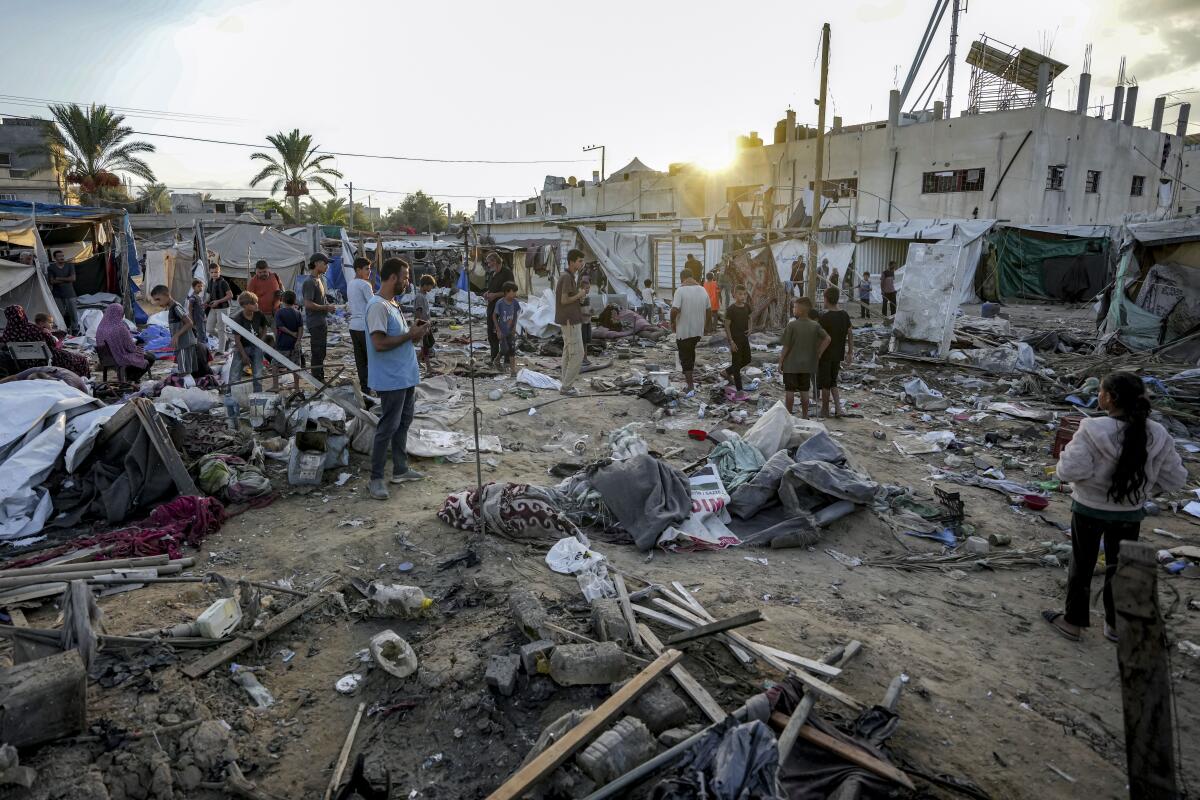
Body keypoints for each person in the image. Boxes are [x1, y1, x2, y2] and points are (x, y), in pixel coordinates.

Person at [1044, 372, 1187, 642]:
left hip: (1089, 509)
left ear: (1109, 398)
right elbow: (1174, 478)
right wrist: (1144, 489)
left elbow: (1070, 470)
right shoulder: (1157, 433)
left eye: (1100, 390)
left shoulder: (1092, 428)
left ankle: (1073, 622)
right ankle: (1115, 625)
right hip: (1129, 513)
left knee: (1082, 566)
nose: (1098, 395)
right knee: (1119, 568)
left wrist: (1082, 476)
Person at [365, 258, 429, 500]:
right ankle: (376, 478)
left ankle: (400, 469)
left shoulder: (393, 304)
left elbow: (400, 338)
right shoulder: (377, 306)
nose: (407, 281)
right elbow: (379, 343)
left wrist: (415, 332)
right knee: (387, 427)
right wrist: (409, 335)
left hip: (405, 376)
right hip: (391, 379)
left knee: (403, 423)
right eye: (405, 276)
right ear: (392, 277)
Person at [0, 304, 91, 376]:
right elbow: (52, 344)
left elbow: (4, 347)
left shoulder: (7, 333)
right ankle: (83, 383)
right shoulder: (34, 329)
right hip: (46, 360)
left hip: (22, 364)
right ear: (22, 314)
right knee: (81, 360)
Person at [779, 297, 829, 419]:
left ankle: (789, 416)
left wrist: (780, 361)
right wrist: (819, 353)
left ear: (800, 310)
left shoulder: (792, 325)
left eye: (795, 307)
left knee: (790, 391)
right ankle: (805, 415)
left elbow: (786, 346)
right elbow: (828, 338)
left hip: (791, 364)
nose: (793, 309)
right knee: (804, 391)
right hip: (807, 364)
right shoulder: (815, 325)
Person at [670, 269, 710, 397]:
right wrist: (706, 325)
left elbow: (674, 309)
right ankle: (689, 380)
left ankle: (690, 386)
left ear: (682, 278)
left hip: (684, 331)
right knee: (691, 353)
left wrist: (672, 322)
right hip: (697, 330)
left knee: (685, 357)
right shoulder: (703, 290)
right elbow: (709, 310)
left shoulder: (680, 290)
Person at [95, 302, 156, 381]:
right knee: (151, 357)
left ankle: (129, 375)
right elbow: (130, 348)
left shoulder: (100, 327)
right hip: (119, 358)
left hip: (106, 358)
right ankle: (132, 377)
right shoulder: (120, 327)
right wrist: (137, 347)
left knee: (140, 354)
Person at [150, 285, 202, 377]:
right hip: (182, 344)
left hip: (184, 343)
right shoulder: (171, 308)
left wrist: (176, 335)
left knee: (184, 371)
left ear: (166, 295)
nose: (157, 303)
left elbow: (189, 323)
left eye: (158, 299)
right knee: (184, 368)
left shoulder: (176, 307)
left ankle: (186, 388)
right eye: (155, 300)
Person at [556, 249, 588, 396]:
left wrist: (579, 296)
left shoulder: (571, 277)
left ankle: (565, 383)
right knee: (578, 353)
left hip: (570, 319)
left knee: (569, 352)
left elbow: (569, 298)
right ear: (572, 261)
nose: (582, 264)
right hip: (570, 321)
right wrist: (580, 295)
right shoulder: (567, 277)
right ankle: (566, 387)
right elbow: (564, 300)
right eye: (580, 261)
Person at [817, 287, 853, 418]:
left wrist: (818, 352)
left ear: (826, 299)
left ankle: (825, 410)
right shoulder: (844, 315)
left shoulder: (824, 317)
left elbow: (820, 337)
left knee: (825, 384)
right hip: (838, 353)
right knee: (833, 382)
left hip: (826, 355)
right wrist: (850, 352)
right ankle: (838, 408)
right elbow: (850, 333)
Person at [302, 253, 337, 382]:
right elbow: (308, 304)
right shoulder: (309, 282)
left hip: (321, 321)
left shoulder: (319, 280)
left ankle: (320, 377)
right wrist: (325, 308)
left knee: (321, 351)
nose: (327, 266)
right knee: (317, 352)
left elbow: (319, 302)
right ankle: (317, 380)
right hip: (315, 323)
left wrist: (327, 307)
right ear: (316, 263)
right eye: (325, 263)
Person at [229, 291, 270, 393]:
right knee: (235, 374)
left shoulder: (258, 314)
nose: (256, 305)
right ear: (245, 305)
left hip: (256, 347)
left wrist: (260, 340)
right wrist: (244, 355)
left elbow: (264, 327)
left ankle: (258, 395)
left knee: (258, 374)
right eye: (253, 303)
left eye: (256, 302)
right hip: (241, 348)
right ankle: (232, 395)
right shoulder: (238, 318)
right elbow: (237, 339)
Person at [346, 256, 374, 394]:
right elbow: (373, 305)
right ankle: (376, 388)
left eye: (370, 269)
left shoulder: (350, 284)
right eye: (367, 269)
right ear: (358, 270)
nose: (369, 272)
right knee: (372, 359)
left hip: (353, 326)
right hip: (364, 326)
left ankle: (365, 389)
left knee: (360, 361)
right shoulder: (364, 285)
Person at [482, 252, 514, 367]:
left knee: (505, 335)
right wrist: (488, 293)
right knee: (492, 334)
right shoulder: (493, 274)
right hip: (492, 309)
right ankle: (494, 358)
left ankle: (506, 361)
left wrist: (495, 295)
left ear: (495, 261)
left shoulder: (507, 273)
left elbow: (510, 292)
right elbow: (491, 288)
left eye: (489, 262)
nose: (488, 265)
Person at [722, 284, 752, 392]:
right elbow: (726, 325)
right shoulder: (731, 309)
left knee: (747, 359)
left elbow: (749, 318)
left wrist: (750, 328)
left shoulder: (747, 307)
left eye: (744, 294)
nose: (742, 296)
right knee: (736, 364)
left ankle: (727, 372)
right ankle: (740, 390)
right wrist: (731, 342)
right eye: (740, 294)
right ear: (734, 295)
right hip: (735, 340)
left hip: (744, 339)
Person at [273, 290, 303, 392]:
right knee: (295, 366)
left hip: (282, 344)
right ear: (294, 301)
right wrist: (298, 340)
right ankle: (297, 387)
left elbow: (280, 327)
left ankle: (275, 386)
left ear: (282, 300)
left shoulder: (279, 312)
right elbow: (300, 328)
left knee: (275, 365)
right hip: (294, 344)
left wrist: (291, 333)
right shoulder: (297, 313)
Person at [46, 249, 79, 334]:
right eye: (59, 256)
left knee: (73, 312)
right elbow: (52, 281)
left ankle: (75, 329)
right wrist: (67, 279)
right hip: (57, 294)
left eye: (62, 256)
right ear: (55, 258)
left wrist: (59, 278)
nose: (62, 258)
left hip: (70, 293)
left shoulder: (69, 265)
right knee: (61, 313)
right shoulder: (51, 268)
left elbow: (73, 278)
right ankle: (63, 329)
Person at [493, 281, 520, 378]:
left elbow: (516, 315)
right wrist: (498, 330)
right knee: (505, 349)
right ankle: (497, 359)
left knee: (512, 349)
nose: (515, 294)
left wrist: (514, 326)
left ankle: (513, 371)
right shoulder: (500, 303)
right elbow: (494, 316)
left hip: (510, 330)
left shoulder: (515, 303)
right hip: (502, 330)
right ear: (507, 292)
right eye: (513, 292)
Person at [204, 263, 233, 352]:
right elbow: (209, 295)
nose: (214, 274)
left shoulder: (223, 282)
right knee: (209, 328)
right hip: (213, 308)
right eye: (212, 272)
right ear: (209, 272)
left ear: (219, 272)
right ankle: (226, 340)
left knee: (221, 329)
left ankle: (221, 351)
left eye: (216, 272)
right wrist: (205, 302)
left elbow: (230, 295)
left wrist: (218, 301)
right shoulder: (210, 281)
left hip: (223, 308)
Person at [414, 274, 436, 367]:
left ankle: (417, 360)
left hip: (426, 324)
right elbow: (418, 313)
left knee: (428, 344)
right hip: (422, 325)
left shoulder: (424, 295)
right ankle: (429, 367)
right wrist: (422, 326)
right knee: (425, 346)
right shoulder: (419, 296)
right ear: (425, 285)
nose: (431, 288)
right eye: (431, 285)